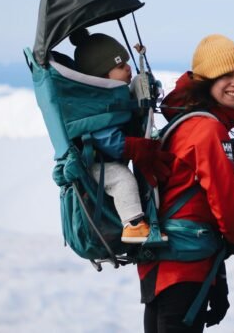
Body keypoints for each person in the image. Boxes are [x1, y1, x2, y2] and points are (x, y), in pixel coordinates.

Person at [139, 34, 234, 332]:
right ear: (206, 80)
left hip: (163, 264)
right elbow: (225, 196)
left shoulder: (185, 124)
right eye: (226, 74)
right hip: (185, 263)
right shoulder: (207, 130)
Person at [70, 28, 168, 244]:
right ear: (103, 76)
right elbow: (108, 140)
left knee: (124, 177)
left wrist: (143, 69)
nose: (128, 68)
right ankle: (132, 225)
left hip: (106, 160)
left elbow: (136, 88)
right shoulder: (96, 106)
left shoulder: (113, 94)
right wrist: (134, 147)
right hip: (96, 164)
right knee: (123, 180)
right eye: (121, 66)